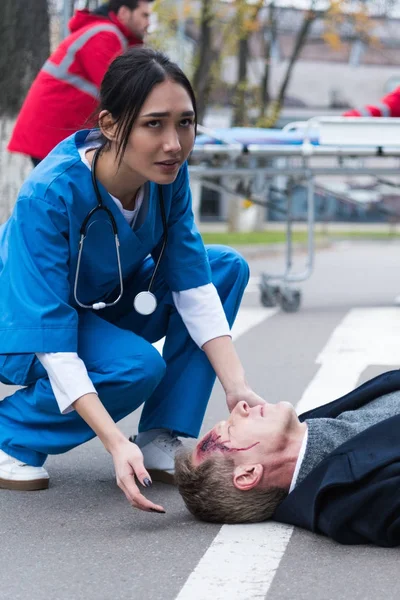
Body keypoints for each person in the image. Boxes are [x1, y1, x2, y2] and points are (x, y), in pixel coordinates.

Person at [0, 47, 266, 514]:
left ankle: (161, 431)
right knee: (136, 366)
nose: (174, 143)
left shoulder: (167, 177)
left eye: (185, 123)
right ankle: (12, 433)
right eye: (154, 124)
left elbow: (193, 282)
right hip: (23, 323)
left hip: (99, 301)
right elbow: (53, 340)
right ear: (109, 125)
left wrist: (236, 385)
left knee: (223, 266)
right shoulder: (49, 194)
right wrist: (112, 442)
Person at [176, 369, 400, 546]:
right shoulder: (354, 502)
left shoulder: (321, 423)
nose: (240, 407)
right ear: (248, 474)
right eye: (231, 429)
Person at [7, 0, 153, 167]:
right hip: (53, 133)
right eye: (144, 15)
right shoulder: (104, 36)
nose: (148, 22)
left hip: (54, 132)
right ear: (124, 13)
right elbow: (120, 92)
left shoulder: (106, 33)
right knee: (59, 190)